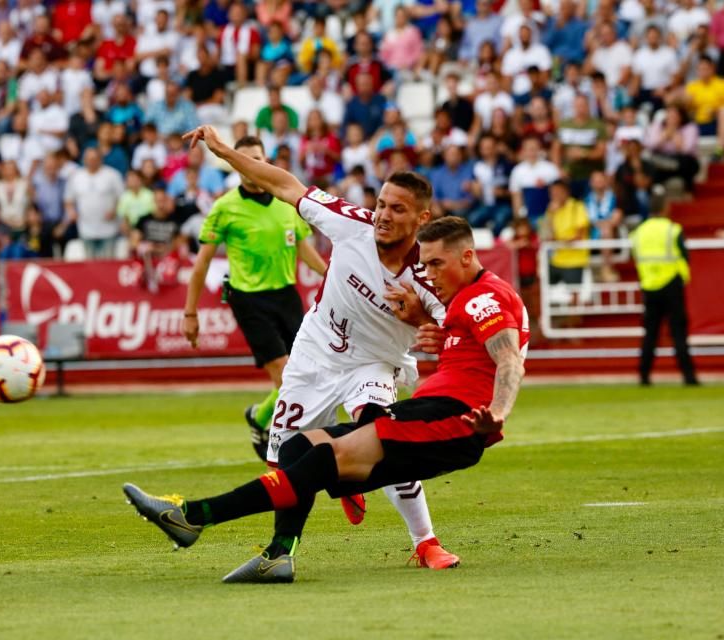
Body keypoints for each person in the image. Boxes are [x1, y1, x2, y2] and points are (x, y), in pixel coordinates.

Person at [123, 216, 529, 583]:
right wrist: (424, 323)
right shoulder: (463, 301)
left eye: (437, 264)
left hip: (451, 421)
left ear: (469, 256)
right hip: (429, 412)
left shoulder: (483, 298)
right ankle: (278, 555)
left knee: (324, 458)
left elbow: (509, 358)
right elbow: (472, 359)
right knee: (301, 445)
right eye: (424, 264)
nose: (428, 275)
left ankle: (193, 515)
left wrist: (497, 413)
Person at [178, 124, 462, 577]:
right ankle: (282, 549)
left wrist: (422, 322)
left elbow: (459, 330)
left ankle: (426, 542)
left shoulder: (429, 274)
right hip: (313, 354)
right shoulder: (352, 224)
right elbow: (284, 183)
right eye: (381, 204)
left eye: (397, 209)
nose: (383, 215)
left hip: (373, 364)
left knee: (385, 435)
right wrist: (224, 151)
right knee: (284, 458)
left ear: (422, 219)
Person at [182, 135, 326, 459]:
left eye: (258, 158)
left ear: (267, 160)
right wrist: (190, 313)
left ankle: (260, 416)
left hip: (286, 296)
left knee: (309, 376)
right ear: (236, 164)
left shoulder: (287, 202)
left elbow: (306, 252)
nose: (253, 165)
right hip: (247, 299)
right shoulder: (225, 207)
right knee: (288, 374)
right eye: (244, 159)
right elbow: (202, 262)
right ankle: (284, 447)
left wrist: (337, 276)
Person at [630, 186, 698, 387]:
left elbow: (637, 257)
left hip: (649, 286)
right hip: (672, 285)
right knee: (678, 332)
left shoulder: (638, 232)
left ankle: (644, 375)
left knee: (651, 333)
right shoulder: (672, 229)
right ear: (665, 207)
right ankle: (688, 376)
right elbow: (685, 256)